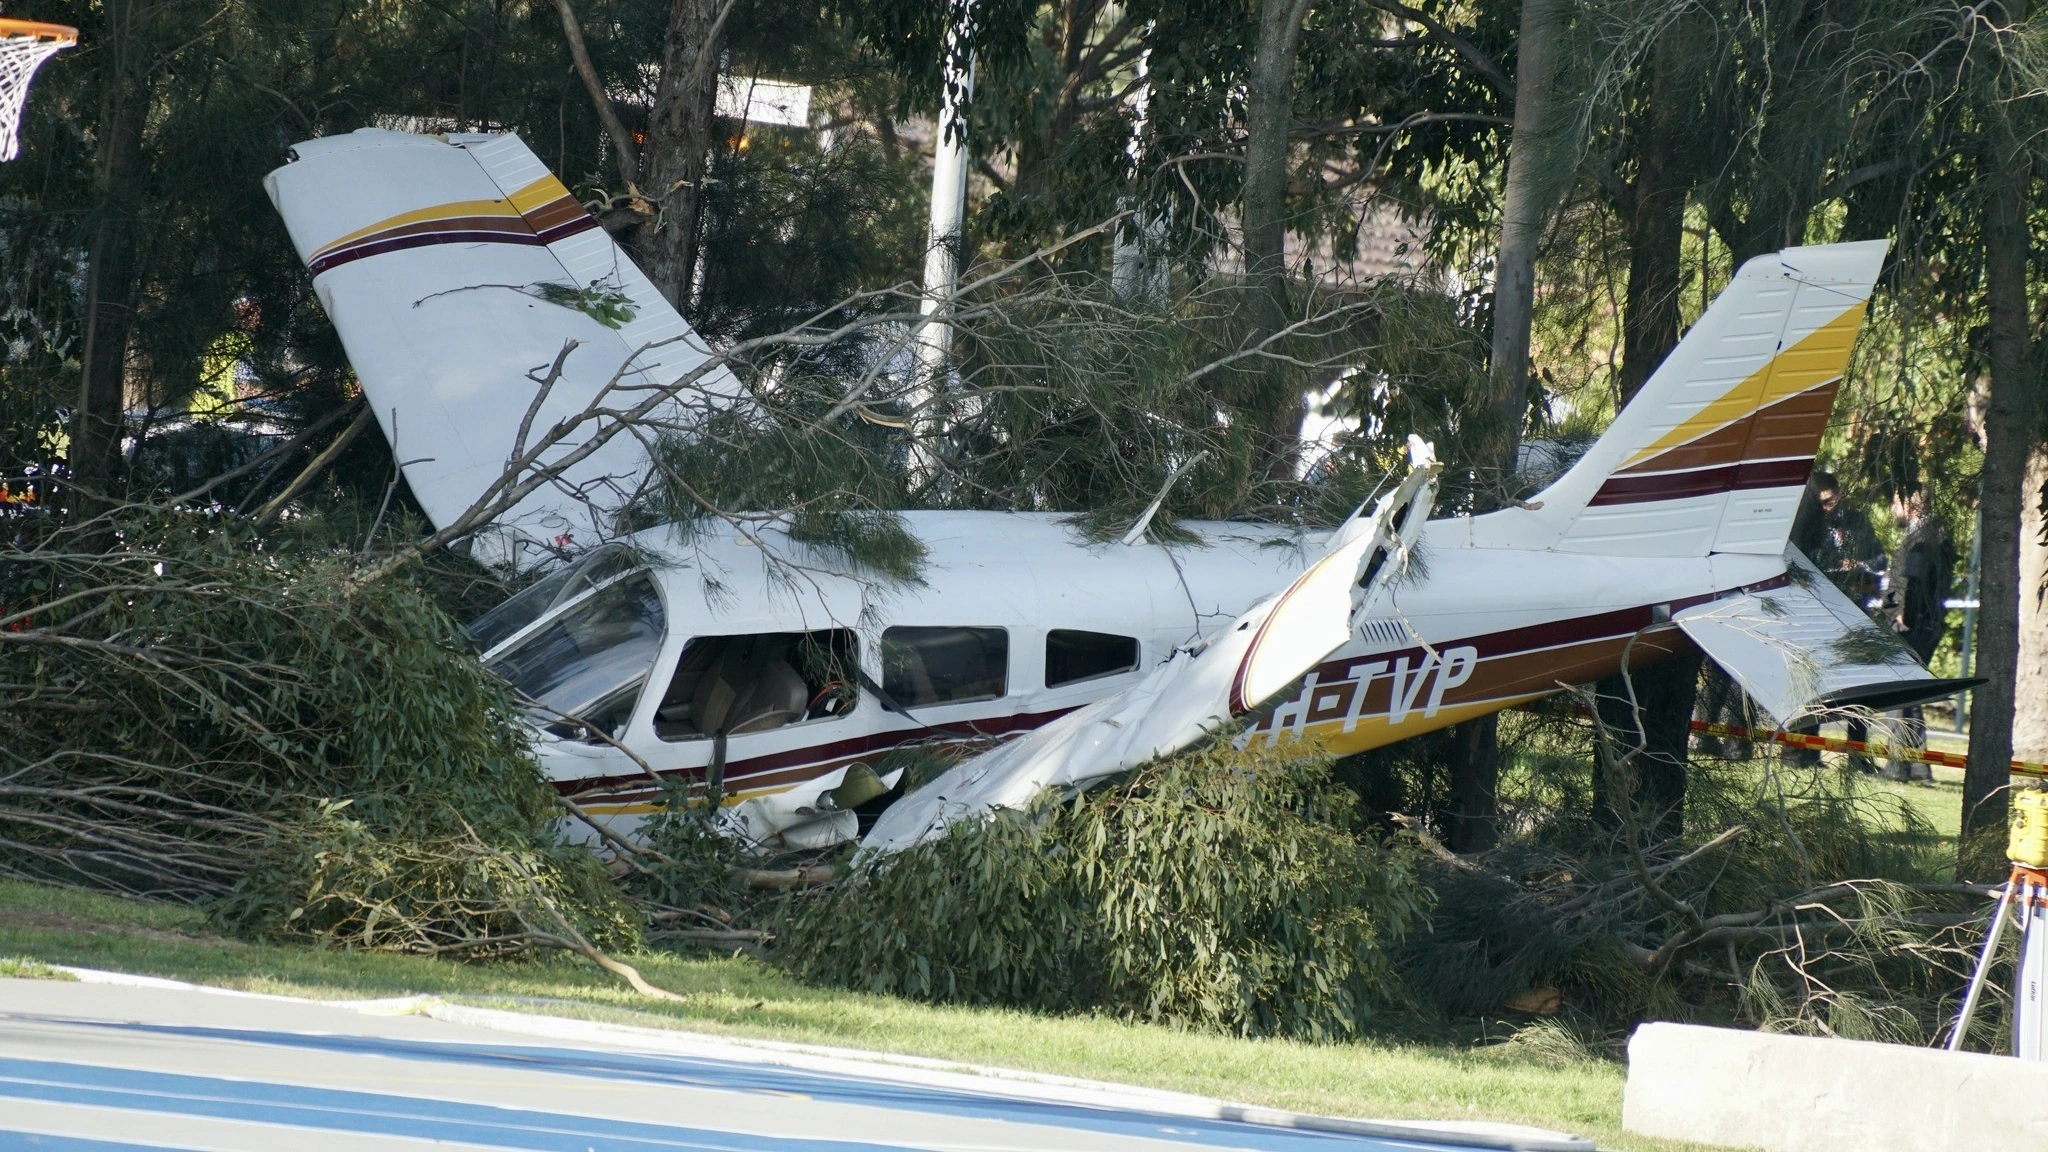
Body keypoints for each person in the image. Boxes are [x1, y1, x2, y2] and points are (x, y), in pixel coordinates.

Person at [1789, 473, 1887, 770]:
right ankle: (1802, 752)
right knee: (1813, 684)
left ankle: (1858, 754)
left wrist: (1857, 565)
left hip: (1853, 610)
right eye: (1824, 503)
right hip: (1816, 612)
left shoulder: (1856, 522)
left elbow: (1879, 560)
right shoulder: (1805, 523)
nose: (1830, 508)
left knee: (1860, 686)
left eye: (1833, 500)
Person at [1879, 485, 1957, 781]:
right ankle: (1919, 767)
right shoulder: (1936, 533)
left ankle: (1897, 766)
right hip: (1926, 622)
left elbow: (1910, 582)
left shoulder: (1923, 538)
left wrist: (1898, 617)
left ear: (1908, 505)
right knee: (1910, 693)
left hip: (1911, 623)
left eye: (1894, 502)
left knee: (1896, 692)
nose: (1891, 508)